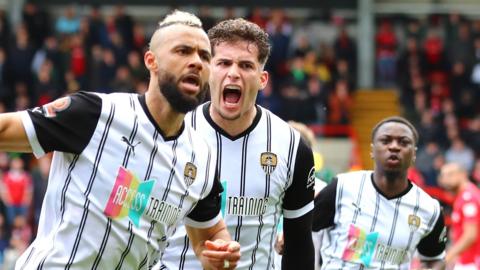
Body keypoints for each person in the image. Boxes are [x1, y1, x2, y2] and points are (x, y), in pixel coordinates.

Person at [0, 10, 240, 269]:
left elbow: (212, 236)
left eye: (205, 56)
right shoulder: (96, 113)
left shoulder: (201, 158)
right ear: (151, 61)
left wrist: (219, 254)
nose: (197, 62)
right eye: (183, 51)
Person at [159, 18, 315, 270]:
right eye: (223, 63)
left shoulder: (292, 146)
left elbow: (299, 245)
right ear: (208, 70)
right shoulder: (173, 133)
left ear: (263, 79)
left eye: (245, 65)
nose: (234, 73)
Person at [313, 116, 447, 269]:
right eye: (386, 140)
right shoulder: (342, 188)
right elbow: (303, 226)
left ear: (414, 154)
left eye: (403, 142)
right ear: (372, 150)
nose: (394, 147)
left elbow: (434, 259)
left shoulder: (429, 209)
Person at [439, 163, 480, 269]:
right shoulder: (462, 196)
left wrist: (448, 257)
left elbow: (470, 235)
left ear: (463, 174)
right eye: (443, 175)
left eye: (450, 174)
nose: (445, 179)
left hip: (472, 262)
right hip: (465, 259)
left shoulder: (469, 198)